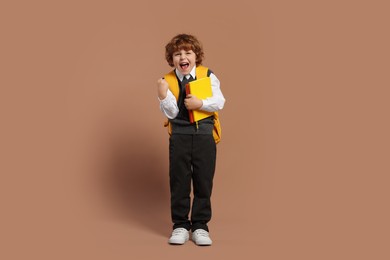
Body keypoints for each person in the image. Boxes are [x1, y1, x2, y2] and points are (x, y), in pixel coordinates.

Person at [157, 34, 225, 246]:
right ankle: (180, 225)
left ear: (196, 56)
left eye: (188, 53)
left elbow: (219, 101)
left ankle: (200, 226)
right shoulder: (166, 81)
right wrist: (162, 96)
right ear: (172, 58)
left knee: (204, 181)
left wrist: (200, 103)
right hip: (180, 136)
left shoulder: (207, 76)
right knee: (179, 181)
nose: (183, 57)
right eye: (178, 54)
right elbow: (171, 112)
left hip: (204, 135)